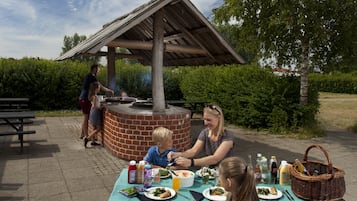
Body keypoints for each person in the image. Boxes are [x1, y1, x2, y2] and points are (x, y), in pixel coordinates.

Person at [168, 104, 235, 168]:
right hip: (210, 170)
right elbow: (193, 151)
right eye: (204, 119)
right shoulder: (205, 132)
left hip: (225, 172)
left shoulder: (228, 136)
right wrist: (177, 154)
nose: (205, 123)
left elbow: (215, 158)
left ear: (219, 118)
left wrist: (191, 162)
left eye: (209, 120)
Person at [78, 64, 113, 139]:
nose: (98, 70)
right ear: (94, 69)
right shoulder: (92, 77)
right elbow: (100, 86)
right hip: (85, 99)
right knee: (86, 117)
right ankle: (86, 136)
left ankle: (82, 134)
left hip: (82, 98)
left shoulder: (89, 76)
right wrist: (109, 90)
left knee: (85, 117)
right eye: (97, 69)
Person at [84, 82, 103, 147]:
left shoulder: (93, 96)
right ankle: (88, 138)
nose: (100, 88)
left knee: (94, 127)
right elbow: (95, 106)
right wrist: (101, 107)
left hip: (92, 112)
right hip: (96, 112)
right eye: (99, 87)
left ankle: (93, 142)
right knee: (98, 128)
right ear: (96, 88)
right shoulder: (95, 96)